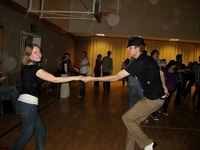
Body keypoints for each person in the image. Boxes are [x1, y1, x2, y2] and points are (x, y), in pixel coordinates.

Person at [82, 37, 169, 150]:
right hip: (153, 98)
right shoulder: (147, 59)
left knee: (127, 118)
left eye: (130, 47)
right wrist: (164, 86)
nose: (128, 49)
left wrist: (92, 79)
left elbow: (116, 77)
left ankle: (148, 144)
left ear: (137, 48)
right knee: (132, 124)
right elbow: (160, 72)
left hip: (153, 100)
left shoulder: (139, 62)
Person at [11, 44, 81, 150]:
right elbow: (55, 79)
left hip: (25, 103)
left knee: (40, 128)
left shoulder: (27, 68)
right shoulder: (34, 69)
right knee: (28, 132)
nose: (39, 54)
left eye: (40, 51)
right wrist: (77, 77)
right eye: (35, 52)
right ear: (29, 55)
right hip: (28, 105)